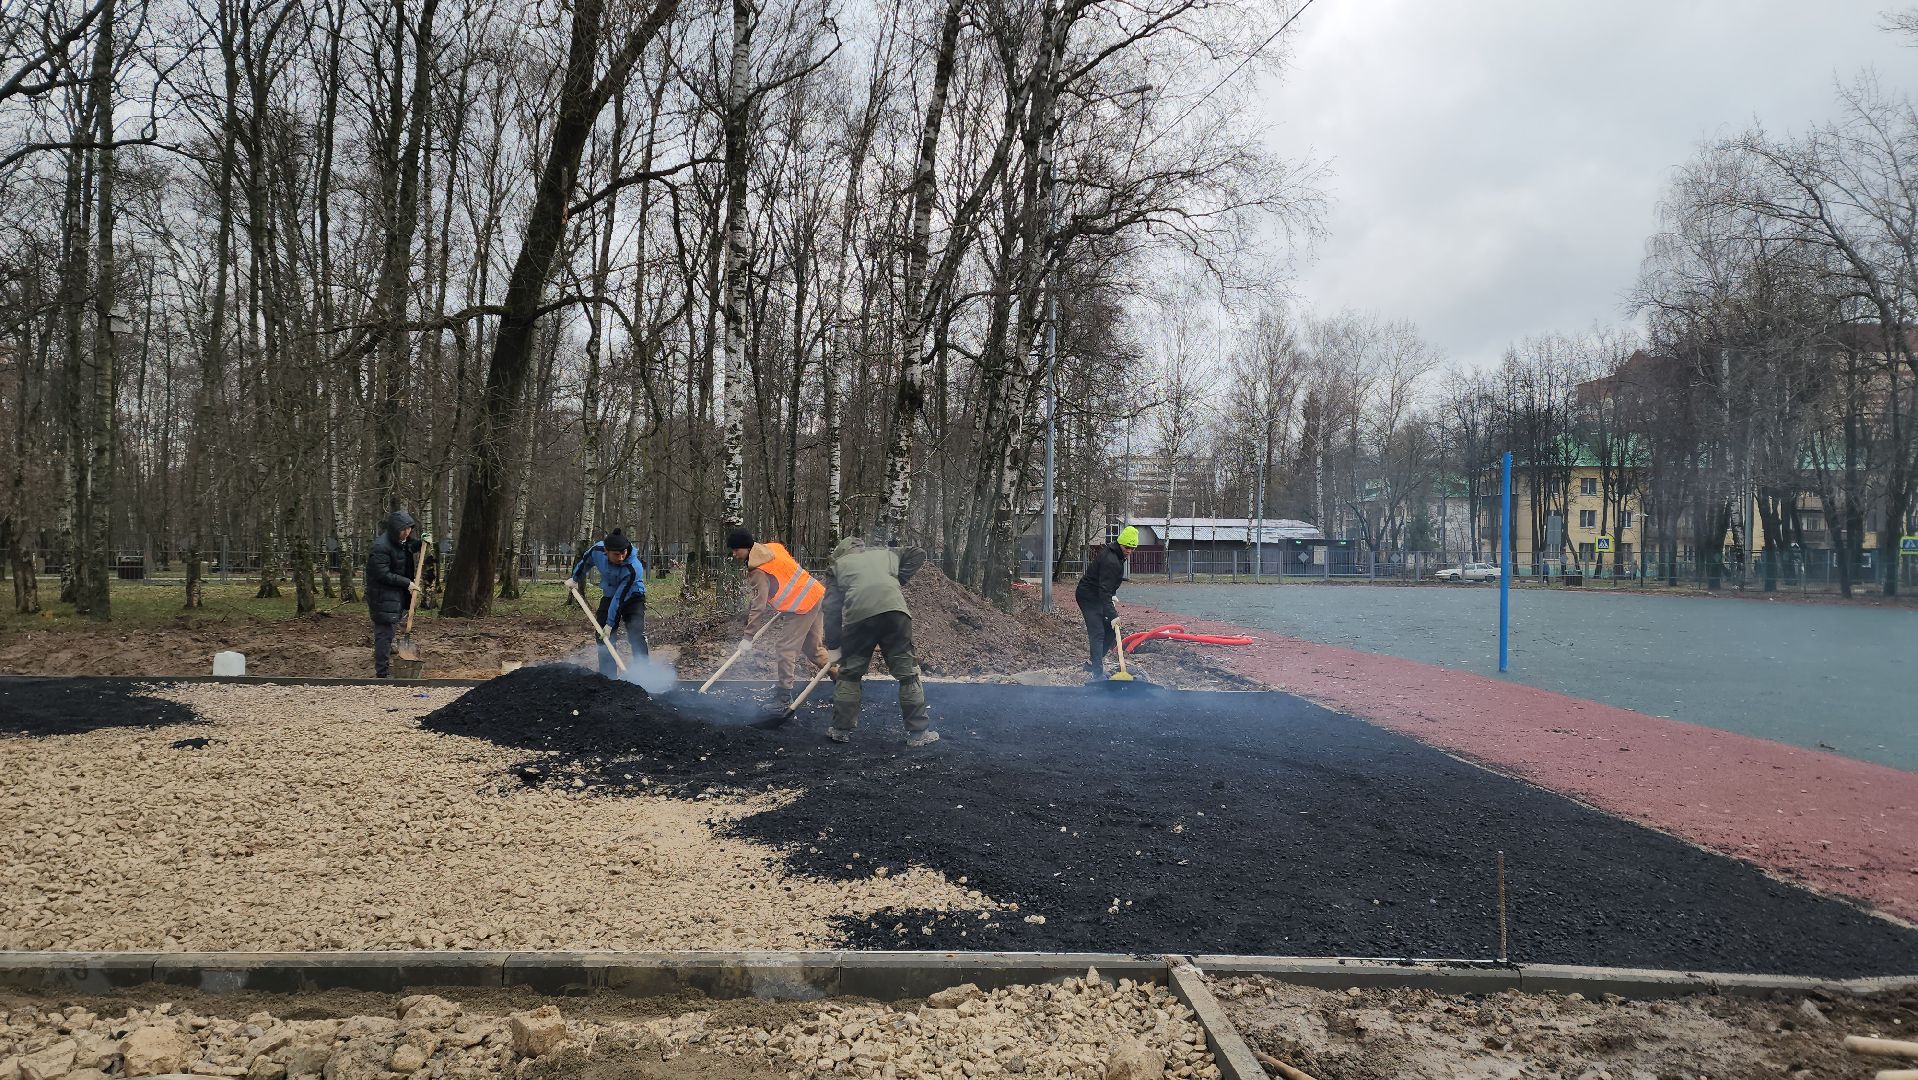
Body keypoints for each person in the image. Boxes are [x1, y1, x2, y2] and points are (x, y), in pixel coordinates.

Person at [825, 535, 935, 747]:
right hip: (895, 614)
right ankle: (918, 734)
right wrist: (897, 579)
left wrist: (834, 645)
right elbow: (918, 553)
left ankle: (840, 730)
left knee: (849, 675)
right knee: (908, 675)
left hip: (859, 619)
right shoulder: (885, 554)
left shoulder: (837, 567)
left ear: (840, 553)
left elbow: (831, 610)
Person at [728, 529, 830, 704]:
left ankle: (783, 695)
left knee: (785, 649)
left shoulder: (757, 571)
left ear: (746, 548)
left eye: (736, 550)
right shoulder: (774, 547)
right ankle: (846, 682)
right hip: (815, 593)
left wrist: (748, 637)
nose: (734, 554)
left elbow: (758, 607)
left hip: (801, 606)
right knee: (813, 650)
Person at [569, 529, 648, 676]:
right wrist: (575, 578)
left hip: (633, 596)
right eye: (616, 554)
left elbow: (620, 598)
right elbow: (585, 561)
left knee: (636, 634)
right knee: (603, 636)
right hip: (610, 594)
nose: (621, 557)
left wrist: (610, 624)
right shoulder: (597, 550)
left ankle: (643, 674)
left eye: (623, 553)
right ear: (606, 551)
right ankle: (608, 677)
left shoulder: (633, 568)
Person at [364, 510, 421, 678]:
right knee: (384, 633)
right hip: (382, 596)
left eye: (410, 529)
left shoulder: (400, 541)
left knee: (389, 631)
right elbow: (382, 574)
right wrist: (407, 583)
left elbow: (408, 547)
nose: (407, 533)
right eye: (404, 530)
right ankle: (382, 673)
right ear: (396, 530)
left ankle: (387, 664)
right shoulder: (381, 547)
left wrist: (421, 543)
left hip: (395, 595)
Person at [1075, 525, 1138, 680]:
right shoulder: (1111, 560)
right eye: (1127, 547)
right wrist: (1113, 614)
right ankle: (1097, 673)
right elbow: (1104, 590)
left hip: (1099, 595)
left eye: (1132, 548)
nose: (1129, 551)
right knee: (1098, 632)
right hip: (1088, 596)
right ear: (1121, 543)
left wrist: (1113, 595)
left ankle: (1091, 662)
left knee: (1110, 631)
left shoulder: (1117, 555)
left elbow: (1107, 583)